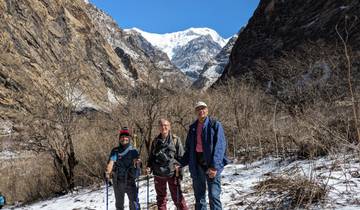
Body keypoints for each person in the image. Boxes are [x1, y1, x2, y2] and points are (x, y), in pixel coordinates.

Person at [178, 101, 229, 210]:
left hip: (211, 165)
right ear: (196, 112)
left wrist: (214, 166)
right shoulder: (193, 127)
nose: (201, 110)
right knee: (199, 197)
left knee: (214, 196)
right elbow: (189, 149)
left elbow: (220, 147)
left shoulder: (215, 124)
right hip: (197, 165)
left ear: (207, 110)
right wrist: (180, 163)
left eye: (203, 108)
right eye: (198, 109)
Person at [146, 119, 188, 210]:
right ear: (158, 127)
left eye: (165, 125)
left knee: (177, 197)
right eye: (161, 125)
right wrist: (149, 167)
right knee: (161, 199)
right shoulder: (155, 141)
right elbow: (151, 157)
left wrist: (179, 169)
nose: (163, 127)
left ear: (169, 127)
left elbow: (181, 157)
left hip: (172, 173)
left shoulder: (175, 139)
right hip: (158, 174)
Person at [105, 127, 141, 210]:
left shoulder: (133, 150)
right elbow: (111, 162)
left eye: (126, 137)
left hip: (130, 180)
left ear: (129, 138)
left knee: (134, 203)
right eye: (122, 137)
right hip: (118, 181)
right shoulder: (115, 150)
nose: (124, 138)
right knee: (119, 204)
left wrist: (138, 163)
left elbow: (136, 161)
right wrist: (107, 172)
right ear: (119, 139)